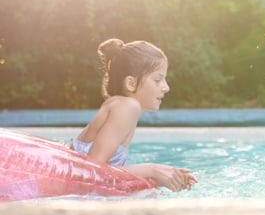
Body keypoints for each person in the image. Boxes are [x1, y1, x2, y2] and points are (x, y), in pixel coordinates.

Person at [70, 38, 197, 192]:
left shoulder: (121, 105)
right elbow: (92, 172)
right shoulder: (128, 106)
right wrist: (152, 169)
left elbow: (109, 173)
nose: (166, 87)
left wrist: (158, 178)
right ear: (131, 83)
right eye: (158, 79)